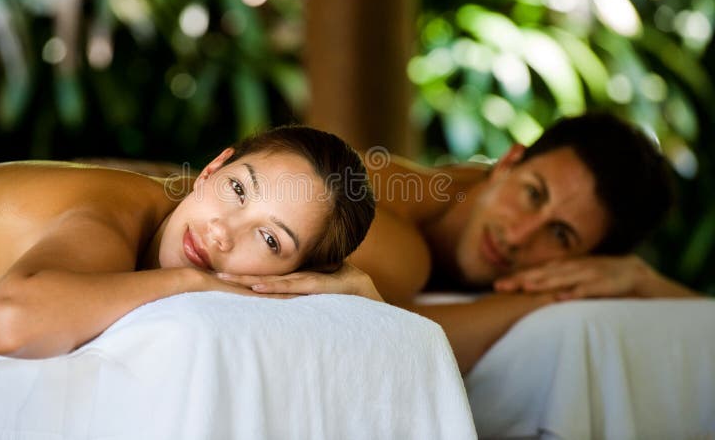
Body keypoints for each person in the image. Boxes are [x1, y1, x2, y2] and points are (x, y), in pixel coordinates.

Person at [219, 113, 702, 373]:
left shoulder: (456, 193)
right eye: (532, 194)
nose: (517, 235)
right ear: (508, 162)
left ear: (586, 258)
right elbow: (389, 338)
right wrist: (553, 296)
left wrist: (638, 277)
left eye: (560, 235)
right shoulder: (398, 237)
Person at [0, 126, 378, 359]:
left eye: (269, 238)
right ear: (213, 168)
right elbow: (10, 325)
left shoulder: (163, 219)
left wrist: (361, 293)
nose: (222, 231)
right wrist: (185, 282)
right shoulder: (110, 221)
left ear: (295, 274)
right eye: (238, 189)